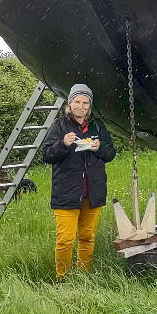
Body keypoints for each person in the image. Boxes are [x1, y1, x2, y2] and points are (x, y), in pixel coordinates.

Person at [43, 83, 116, 282]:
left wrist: (99, 148)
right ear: (70, 104)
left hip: (93, 192)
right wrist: (62, 144)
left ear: (90, 107)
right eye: (77, 102)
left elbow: (111, 154)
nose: (81, 107)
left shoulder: (97, 126)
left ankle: (83, 276)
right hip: (66, 192)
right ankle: (62, 278)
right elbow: (47, 155)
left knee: (87, 237)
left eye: (85, 103)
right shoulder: (59, 125)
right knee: (65, 239)